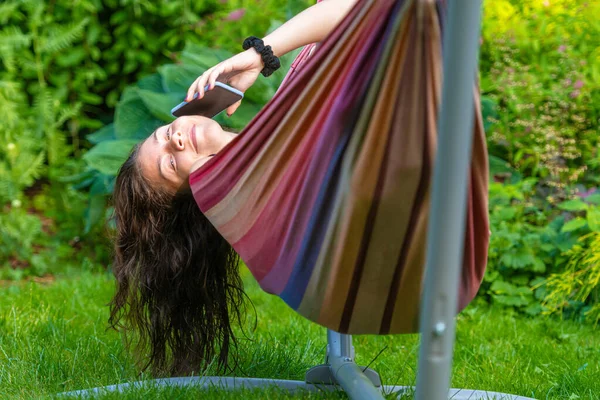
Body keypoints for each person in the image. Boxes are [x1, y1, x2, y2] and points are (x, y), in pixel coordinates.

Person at [109, 0, 359, 376]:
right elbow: (366, 15)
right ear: (198, 199)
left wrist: (259, 59)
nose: (174, 140)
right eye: (171, 164)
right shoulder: (280, 166)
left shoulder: (274, 148)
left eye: (162, 135)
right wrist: (261, 54)